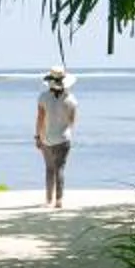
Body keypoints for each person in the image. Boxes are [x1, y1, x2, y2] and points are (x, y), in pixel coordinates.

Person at [33, 67, 78, 207]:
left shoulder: (43, 97)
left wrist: (37, 137)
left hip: (47, 137)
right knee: (60, 168)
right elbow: (72, 121)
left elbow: (40, 119)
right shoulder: (71, 99)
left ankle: (48, 200)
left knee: (49, 169)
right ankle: (59, 200)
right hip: (64, 138)